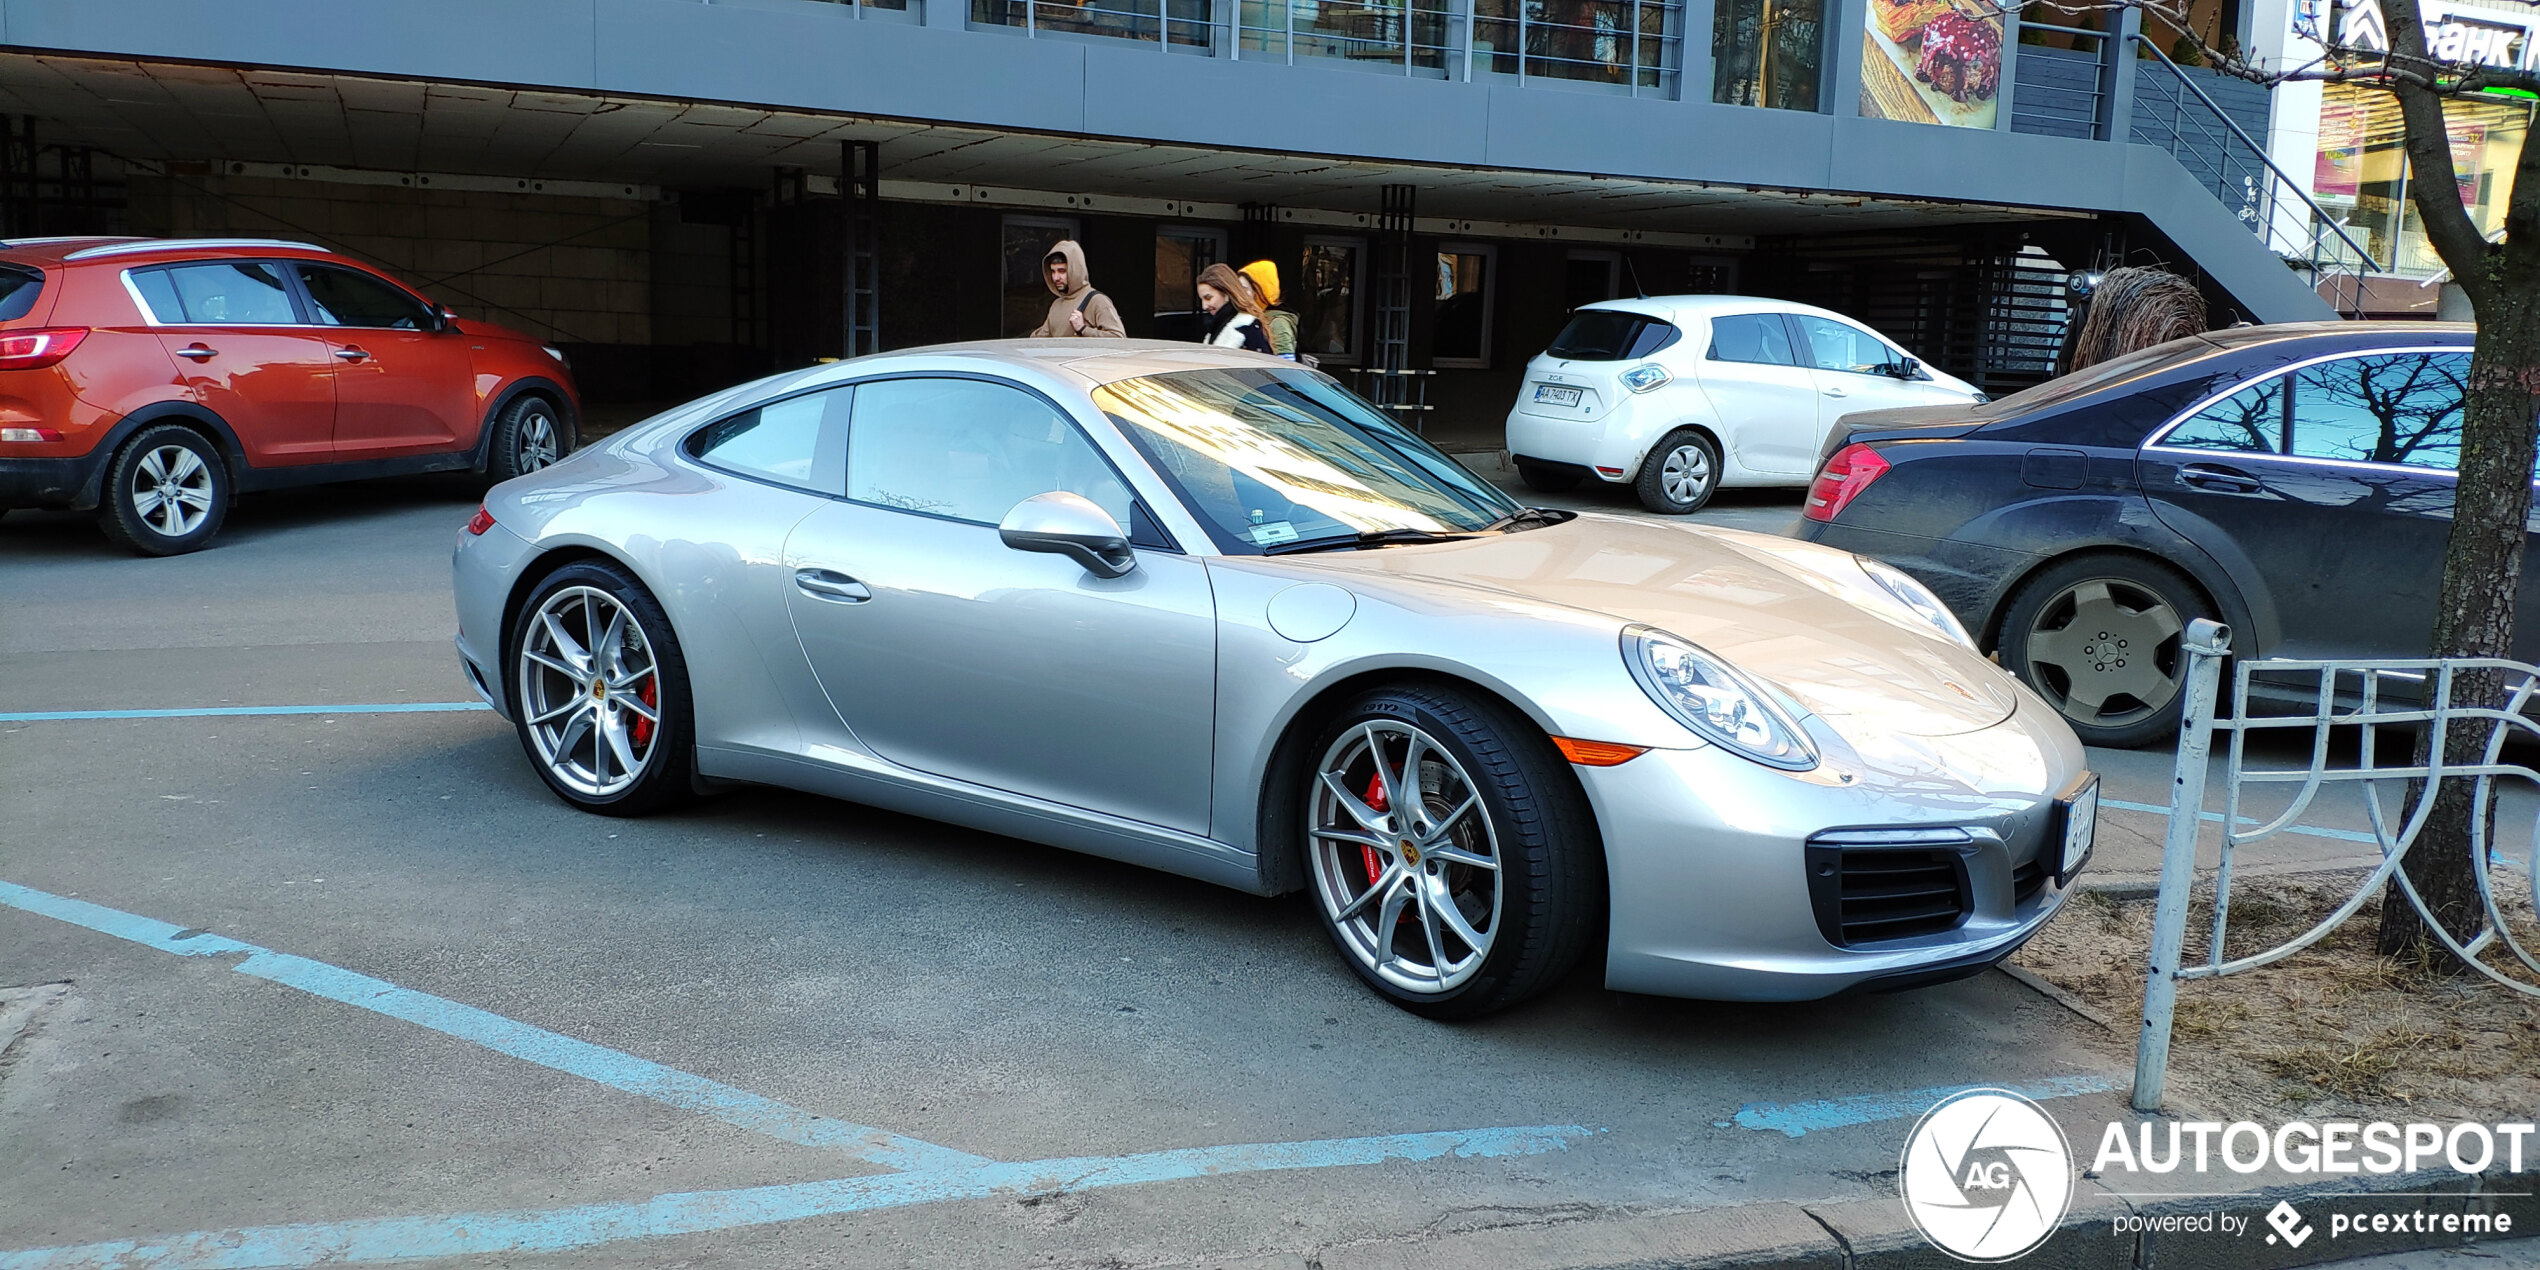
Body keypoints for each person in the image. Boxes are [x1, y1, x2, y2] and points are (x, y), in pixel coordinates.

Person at [1028, 240, 1125, 339]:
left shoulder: (1097, 301)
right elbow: (1041, 338)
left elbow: (1118, 337)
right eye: (1053, 271)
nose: (1056, 277)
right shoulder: (1057, 304)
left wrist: (1083, 329)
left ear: (1075, 270)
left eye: (1062, 271)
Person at [1195, 262, 1272, 354]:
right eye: (1202, 299)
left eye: (1208, 298)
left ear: (1226, 293)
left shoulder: (1248, 325)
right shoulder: (1215, 328)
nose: (1204, 306)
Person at [1237, 260, 1301, 360]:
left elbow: (1285, 366)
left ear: (1260, 290)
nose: (1239, 294)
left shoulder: (1278, 322)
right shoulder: (1249, 317)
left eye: (1244, 289)